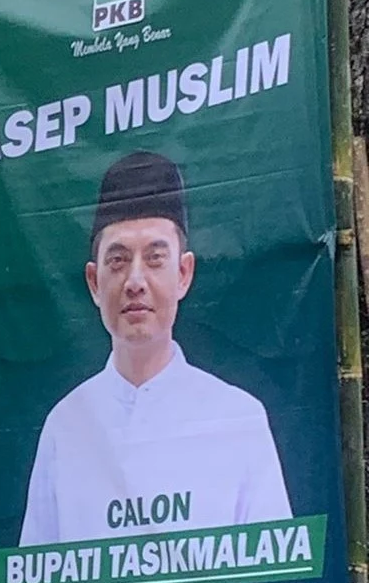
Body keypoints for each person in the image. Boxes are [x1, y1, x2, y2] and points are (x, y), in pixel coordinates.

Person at [18, 150, 293, 548]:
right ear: (94, 283)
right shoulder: (65, 425)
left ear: (183, 274)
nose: (135, 281)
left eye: (154, 259)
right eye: (118, 260)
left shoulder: (239, 419)